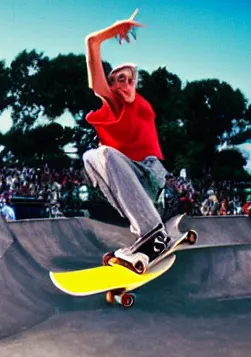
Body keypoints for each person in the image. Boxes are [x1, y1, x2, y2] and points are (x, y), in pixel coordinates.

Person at [82, 10, 172, 270]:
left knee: (104, 153)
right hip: (131, 182)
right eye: (120, 80)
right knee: (93, 155)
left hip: (151, 176)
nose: (127, 85)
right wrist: (113, 30)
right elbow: (91, 42)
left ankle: (152, 231)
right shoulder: (112, 101)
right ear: (110, 85)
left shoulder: (141, 103)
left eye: (131, 80)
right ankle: (144, 229)